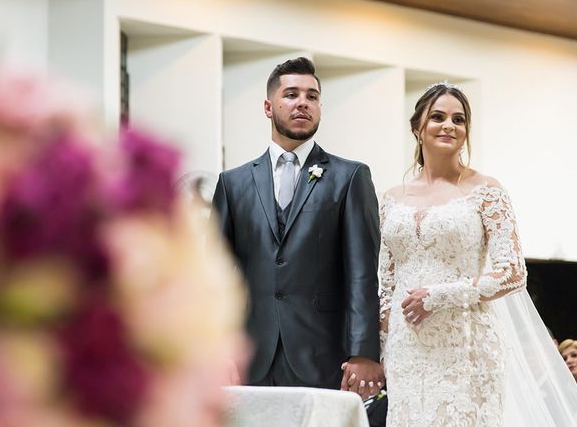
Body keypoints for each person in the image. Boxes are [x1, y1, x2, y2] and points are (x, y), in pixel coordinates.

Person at [212, 57, 384, 398]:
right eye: (291, 94)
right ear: (268, 106)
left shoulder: (350, 177)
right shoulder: (232, 183)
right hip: (249, 357)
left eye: (312, 96)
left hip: (323, 355)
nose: (303, 102)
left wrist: (363, 352)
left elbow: (363, 273)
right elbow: (213, 275)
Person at [378, 82, 528, 426]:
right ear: (417, 128)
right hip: (406, 350)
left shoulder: (486, 190)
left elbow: (513, 272)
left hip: (465, 344)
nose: (449, 125)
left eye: (458, 120)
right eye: (438, 117)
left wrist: (439, 296)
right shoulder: (391, 197)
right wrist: (383, 344)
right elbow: (387, 282)